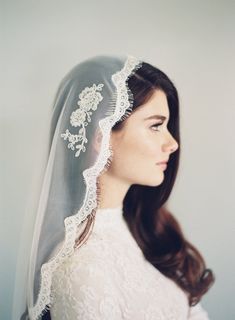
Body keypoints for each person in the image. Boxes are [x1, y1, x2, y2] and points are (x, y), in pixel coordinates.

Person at [14, 54, 215, 320]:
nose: (172, 143)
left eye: (167, 126)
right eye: (155, 126)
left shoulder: (148, 230)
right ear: (103, 136)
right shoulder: (79, 268)